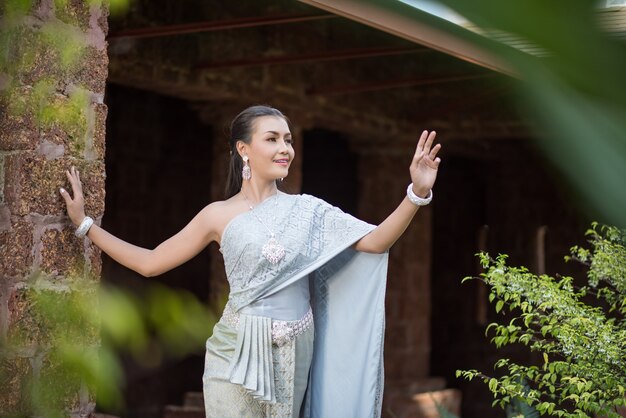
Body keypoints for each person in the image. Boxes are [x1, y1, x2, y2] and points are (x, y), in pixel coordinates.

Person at [60, 105, 441, 418]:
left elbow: (374, 242)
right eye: (272, 139)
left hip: (294, 350)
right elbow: (151, 262)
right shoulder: (217, 216)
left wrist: (416, 193)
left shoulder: (309, 211)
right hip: (233, 352)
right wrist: (86, 225)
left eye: (288, 140)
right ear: (244, 149)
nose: (285, 148)